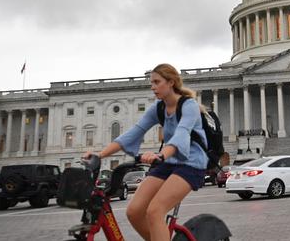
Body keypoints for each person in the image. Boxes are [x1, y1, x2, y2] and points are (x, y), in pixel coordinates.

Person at [83, 63, 208, 241]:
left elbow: (181, 135)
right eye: (151, 82)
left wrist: (161, 155)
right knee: (134, 212)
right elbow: (134, 132)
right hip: (168, 162)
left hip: (191, 163)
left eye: (157, 82)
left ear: (171, 82)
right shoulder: (158, 108)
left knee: (155, 211)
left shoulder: (189, 106)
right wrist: (99, 154)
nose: (152, 87)